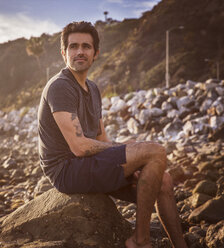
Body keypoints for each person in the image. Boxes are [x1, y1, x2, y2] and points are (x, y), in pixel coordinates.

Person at [37, 21, 188, 248]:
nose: (80, 51)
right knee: (155, 151)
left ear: (95, 53)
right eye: (73, 46)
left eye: (86, 47)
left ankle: (181, 246)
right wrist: (126, 151)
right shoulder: (60, 86)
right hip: (66, 170)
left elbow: (101, 139)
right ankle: (140, 240)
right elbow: (79, 147)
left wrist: (132, 162)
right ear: (64, 53)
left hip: (87, 164)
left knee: (163, 179)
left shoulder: (93, 89)